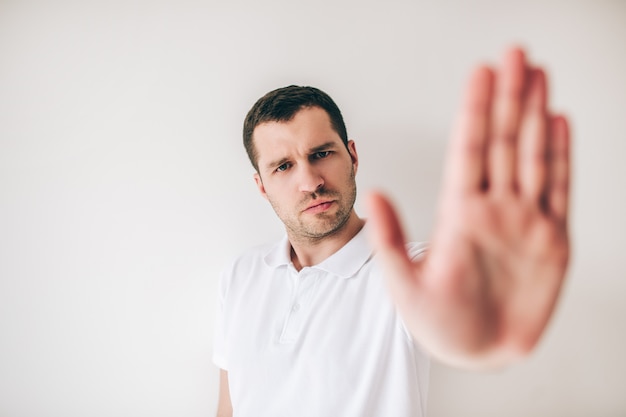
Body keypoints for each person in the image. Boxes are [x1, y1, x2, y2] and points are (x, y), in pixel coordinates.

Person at [213, 47, 571, 417]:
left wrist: (486, 327)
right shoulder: (241, 275)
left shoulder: (410, 271)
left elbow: (454, 319)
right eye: (284, 166)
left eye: (321, 154)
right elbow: (230, 408)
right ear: (261, 185)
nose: (310, 181)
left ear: (352, 156)